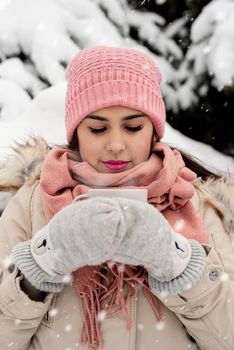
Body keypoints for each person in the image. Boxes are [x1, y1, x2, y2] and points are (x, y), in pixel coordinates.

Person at [0, 46, 233, 350]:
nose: (116, 144)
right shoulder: (33, 203)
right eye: (97, 128)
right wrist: (41, 264)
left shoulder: (194, 203)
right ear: (76, 132)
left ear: (154, 130)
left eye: (133, 127)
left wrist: (179, 263)